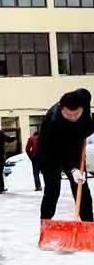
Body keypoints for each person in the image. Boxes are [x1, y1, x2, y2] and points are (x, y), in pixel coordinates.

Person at [39, 88, 94, 222]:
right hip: (51, 153)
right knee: (52, 190)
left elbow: (86, 92)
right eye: (69, 115)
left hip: (74, 147)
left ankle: (89, 225)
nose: (74, 118)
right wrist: (72, 168)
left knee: (82, 188)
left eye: (77, 114)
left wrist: (88, 128)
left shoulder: (83, 99)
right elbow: (56, 150)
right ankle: (45, 224)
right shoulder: (51, 122)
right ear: (61, 109)